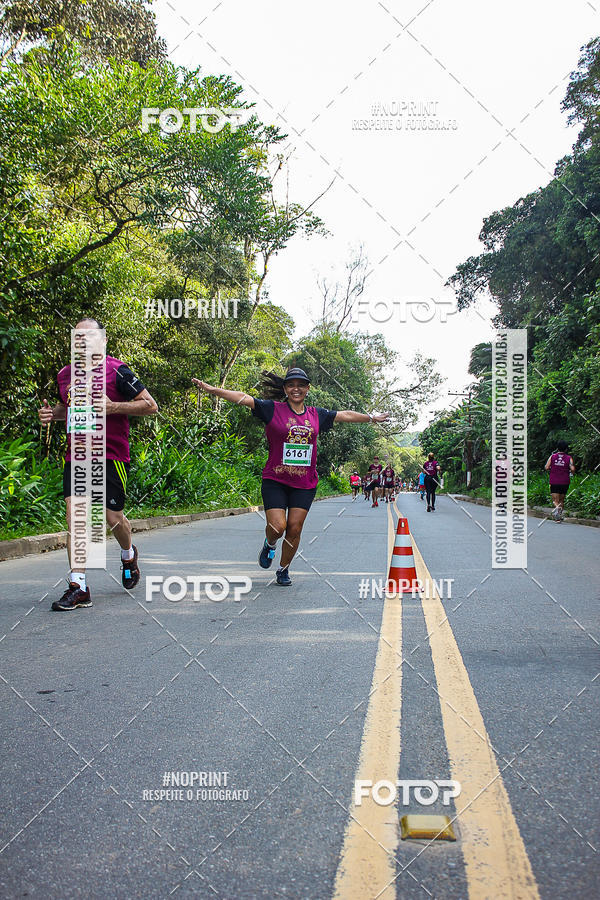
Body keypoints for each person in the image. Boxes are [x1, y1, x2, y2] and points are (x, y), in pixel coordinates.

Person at [192, 368, 389, 585]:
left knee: (294, 528)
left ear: (307, 389)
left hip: (304, 484)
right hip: (275, 480)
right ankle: (270, 543)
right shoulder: (271, 409)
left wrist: (371, 418)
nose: (296, 389)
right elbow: (243, 398)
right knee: (278, 527)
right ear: (285, 389)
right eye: (291, 385)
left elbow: (344, 415)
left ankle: (283, 569)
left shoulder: (316, 415)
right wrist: (213, 390)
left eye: (301, 385)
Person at [38, 318, 158, 611]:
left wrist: (113, 406)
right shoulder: (65, 375)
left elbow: (151, 406)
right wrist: (51, 414)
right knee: (76, 514)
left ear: (103, 341)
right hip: (77, 454)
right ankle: (79, 586)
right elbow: (68, 409)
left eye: (90, 336)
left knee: (112, 518)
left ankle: (128, 554)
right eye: (78, 337)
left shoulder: (118, 371)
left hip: (112, 454)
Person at [544, 440, 575, 521]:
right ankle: (559, 516)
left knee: (555, 500)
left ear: (557, 448)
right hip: (565, 481)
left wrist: (553, 468)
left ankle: (557, 510)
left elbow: (546, 467)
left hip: (554, 481)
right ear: (566, 449)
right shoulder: (569, 458)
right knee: (561, 500)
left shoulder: (552, 457)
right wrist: (571, 472)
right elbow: (572, 468)